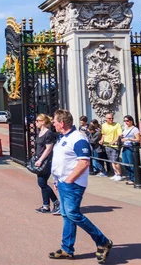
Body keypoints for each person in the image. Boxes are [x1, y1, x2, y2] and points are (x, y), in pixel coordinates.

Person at [49, 109, 113, 263]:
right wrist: (58, 180)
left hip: (73, 183)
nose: (53, 123)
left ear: (62, 123)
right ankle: (67, 248)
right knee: (66, 215)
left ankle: (103, 241)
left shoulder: (78, 138)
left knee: (72, 214)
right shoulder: (63, 137)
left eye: (55, 121)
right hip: (63, 182)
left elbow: (84, 162)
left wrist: (69, 180)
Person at [34, 114, 60, 215]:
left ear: (43, 122)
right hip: (39, 160)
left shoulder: (48, 133)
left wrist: (41, 159)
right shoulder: (39, 132)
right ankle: (46, 206)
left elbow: (49, 148)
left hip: (46, 161)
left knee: (42, 183)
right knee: (42, 183)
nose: (36, 122)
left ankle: (56, 202)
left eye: (38, 120)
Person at [101, 113, 123, 181]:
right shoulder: (104, 125)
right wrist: (101, 140)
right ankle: (115, 173)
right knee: (112, 161)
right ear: (106, 119)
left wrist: (113, 141)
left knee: (115, 160)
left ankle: (119, 174)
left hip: (115, 145)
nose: (111, 119)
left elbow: (120, 135)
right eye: (109, 118)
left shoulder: (117, 124)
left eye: (112, 118)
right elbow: (104, 134)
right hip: (107, 144)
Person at [121, 115, 140, 186]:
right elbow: (123, 135)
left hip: (131, 147)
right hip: (125, 146)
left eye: (127, 121)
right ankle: (131, 176)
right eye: (125, 121)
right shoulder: (126, 128)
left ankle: (134, 178)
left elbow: (138, 139)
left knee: (131, 163)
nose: (126, 122)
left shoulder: (135, 129)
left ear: (131, 121)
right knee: (124, 162)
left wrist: (128, 139)